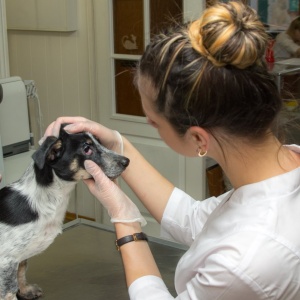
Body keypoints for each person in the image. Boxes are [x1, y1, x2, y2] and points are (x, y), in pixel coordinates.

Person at [43, 1, 300, 299]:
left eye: (154, 122)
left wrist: (125, 219)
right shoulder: (281, 172)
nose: (151, 126)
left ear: (198, 140)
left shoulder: (247, 260)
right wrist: (117, 143)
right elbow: (195, 221)